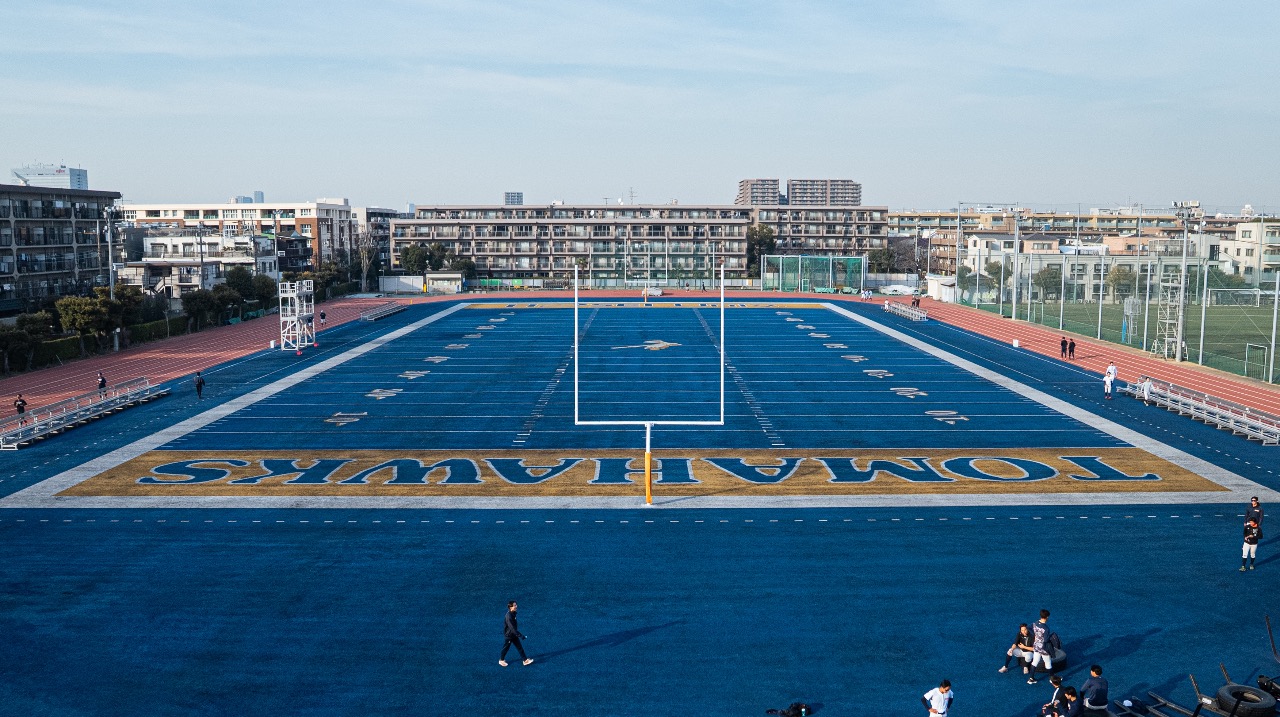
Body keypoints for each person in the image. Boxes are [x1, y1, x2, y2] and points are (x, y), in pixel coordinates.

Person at [499, 600, 533, 667]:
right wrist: (520, 635)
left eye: (516, 605)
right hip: (509, 636)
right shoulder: (509, 616)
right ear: (510, 607)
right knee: (506, 648)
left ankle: (525, 660)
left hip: (514, 635)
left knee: (519, 647)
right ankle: (501, 660)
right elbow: (512, 628)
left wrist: (517, 634)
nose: (516, 606)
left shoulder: (513, 613)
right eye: (514, 605)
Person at [1027, 610, 1053, 684]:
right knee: (1048, 663)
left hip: (1036, 646)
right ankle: (1052, 679)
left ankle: (1031, 678)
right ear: (1047, 617)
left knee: (1035, 661)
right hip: (1044, 648)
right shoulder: (1046, 628)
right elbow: (1046, 640)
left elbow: (1028, 627)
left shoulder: (1035, 623)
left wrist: (1034, 635)